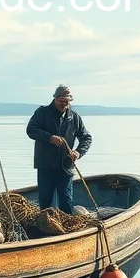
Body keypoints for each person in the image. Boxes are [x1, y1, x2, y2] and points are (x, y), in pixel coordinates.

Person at [26, 84, 93, 214]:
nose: (64, 105)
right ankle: (45, 229)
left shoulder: (74, 117)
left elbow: (86, 137)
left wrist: (78, 152)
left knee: (66, 203)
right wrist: (49, 137)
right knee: (45, 204)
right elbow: (31, 130)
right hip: (45, 166)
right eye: (61, 101)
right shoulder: (42, 113)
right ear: (55, 99)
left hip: (66, 167)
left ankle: (67, 230)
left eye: (67, 102)